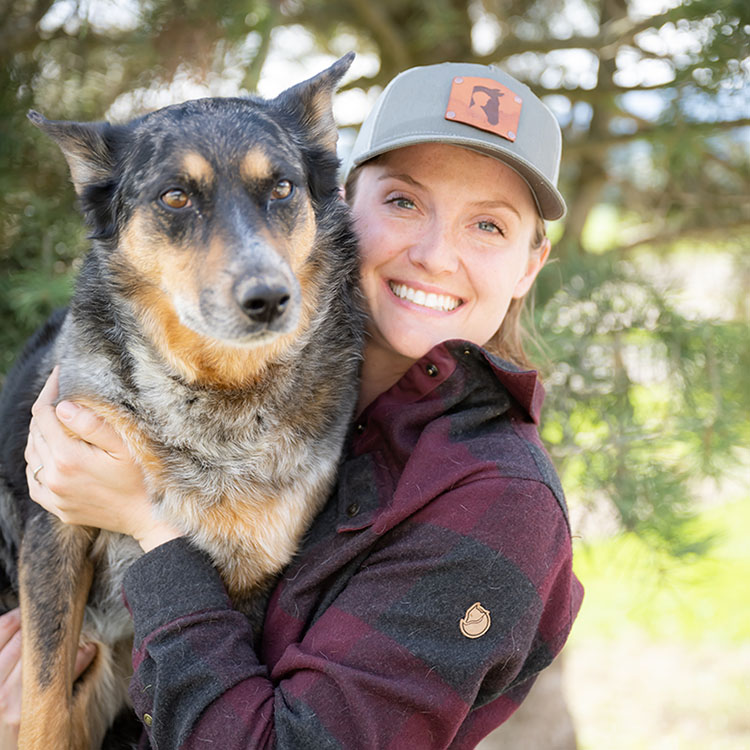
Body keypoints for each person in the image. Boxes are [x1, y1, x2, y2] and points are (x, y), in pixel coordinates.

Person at [1, 61, 583, 748]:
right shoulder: (181, 362)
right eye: (403, 202)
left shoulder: (497, 503)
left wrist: (147, 524)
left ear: (529, 265)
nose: (434, 255)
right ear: (339, 201)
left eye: (489, 226)